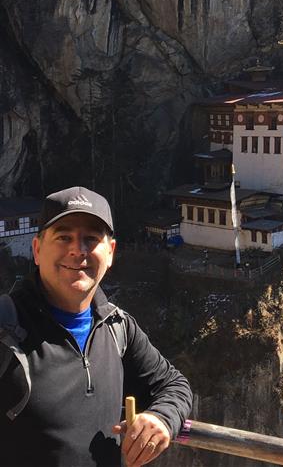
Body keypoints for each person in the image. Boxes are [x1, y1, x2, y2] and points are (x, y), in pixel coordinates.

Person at [0, 186, 192, 467]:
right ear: (38, 249)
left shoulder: (116, 326)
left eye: (91, 239)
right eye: (64, 237)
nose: (78, 250)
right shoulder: (7, 329)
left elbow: (174, 385)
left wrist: (162, 418)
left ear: (111, 252)